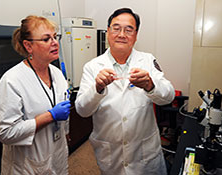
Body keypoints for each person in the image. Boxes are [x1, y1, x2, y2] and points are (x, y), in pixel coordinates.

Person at [75, 8, 175, 175]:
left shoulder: (147, 60)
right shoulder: (92, 67)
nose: (122, 34)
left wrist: (150, 85)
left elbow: (169, 96)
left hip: (144, 152)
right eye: (116, 28)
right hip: (111, 154)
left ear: (136, 35)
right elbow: (82, 110)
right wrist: (97, 88)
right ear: (108, 31)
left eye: (129, 29)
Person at [0, 15, 71, 175]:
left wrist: (66, 132)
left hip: (57, 154)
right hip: (27, 165)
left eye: (55, 37)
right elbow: (6, 133)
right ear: (28, 46)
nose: (55, 43)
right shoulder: (12, 81)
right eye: (46, 39)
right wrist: (50, 116)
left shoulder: (56, 73)